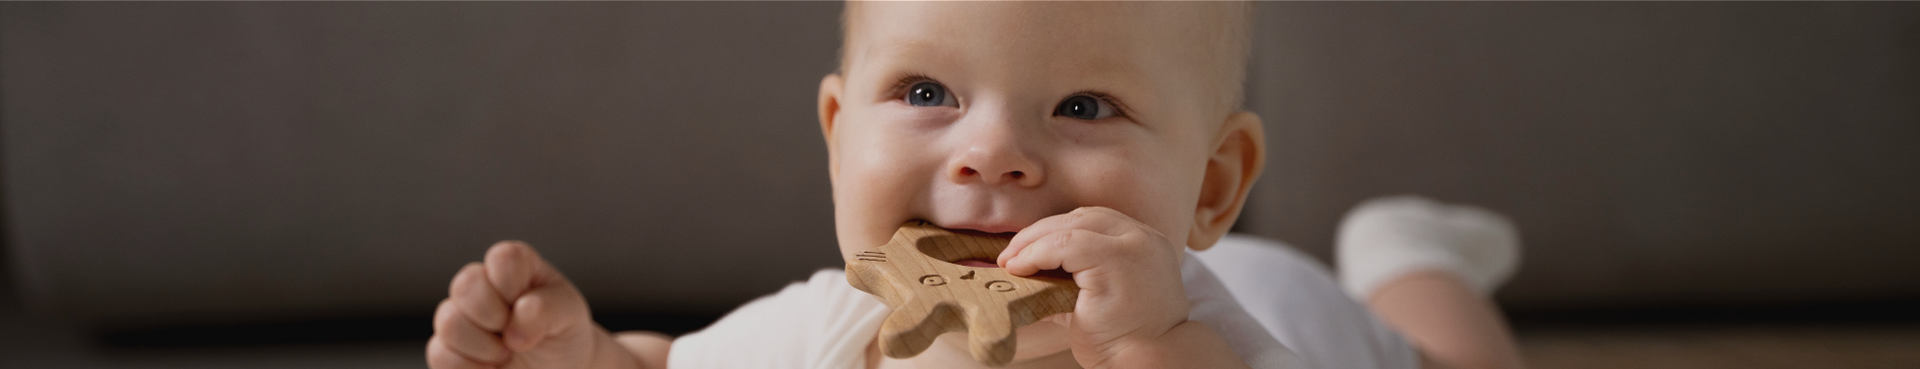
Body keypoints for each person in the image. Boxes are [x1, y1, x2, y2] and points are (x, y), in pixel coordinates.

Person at [426, 2, 1525, 369]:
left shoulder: (1196, 323)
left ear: (1212, 183)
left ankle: (1405, 251)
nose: (991, 156)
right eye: (924, 92)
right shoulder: (835, 328)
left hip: (1299, 309)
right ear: (837, 129)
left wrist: (1151, 344)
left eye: (1086, 107)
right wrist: (583, 357)